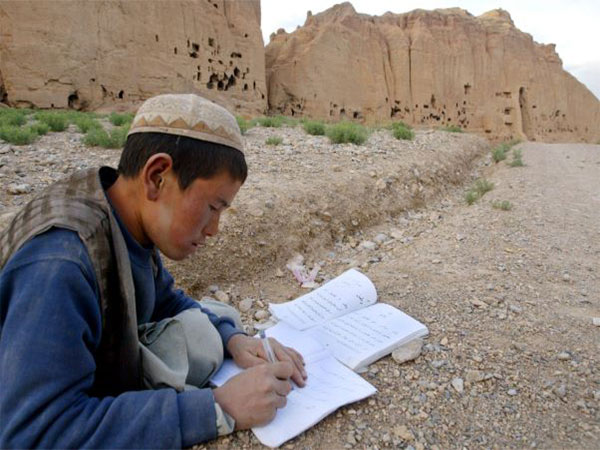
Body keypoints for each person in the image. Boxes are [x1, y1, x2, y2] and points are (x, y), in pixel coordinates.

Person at [0, 94, 307, 448]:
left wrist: (233, 340)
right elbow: (34, 435)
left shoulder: (127, 215)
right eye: (212, 207)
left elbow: (164, 299)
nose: (213, 230)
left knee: (213, 322)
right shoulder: (60, 262)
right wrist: (216, 409)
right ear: (157, 177)